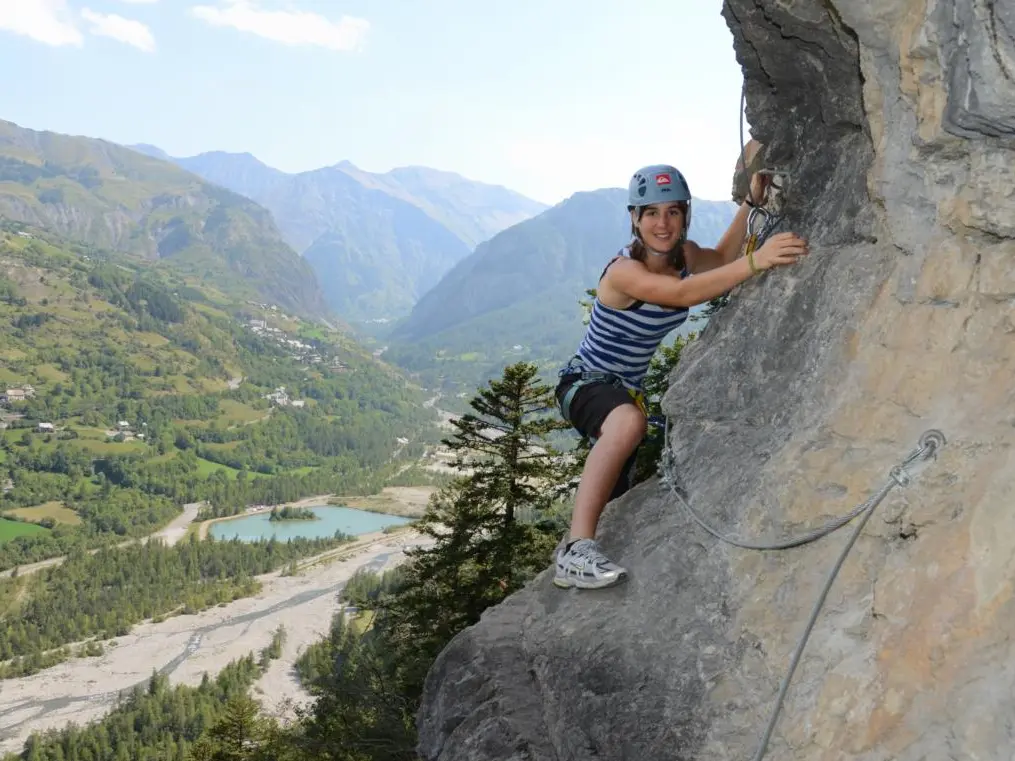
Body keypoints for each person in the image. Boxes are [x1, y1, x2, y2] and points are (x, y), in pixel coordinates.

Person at [552, 162, 809, 590]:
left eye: (673, 211)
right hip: (584, 383)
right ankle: (576, 551)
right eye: (651, 213)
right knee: (627, 424)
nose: (663, 223)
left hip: (624, 394)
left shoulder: (683, 256)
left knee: (613, 489)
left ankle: (576, 554)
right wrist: (759, 260)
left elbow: (721, 259)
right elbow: (683, 293)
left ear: (685, 215)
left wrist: (750, 203)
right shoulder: (625, 271)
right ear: (634, 218)